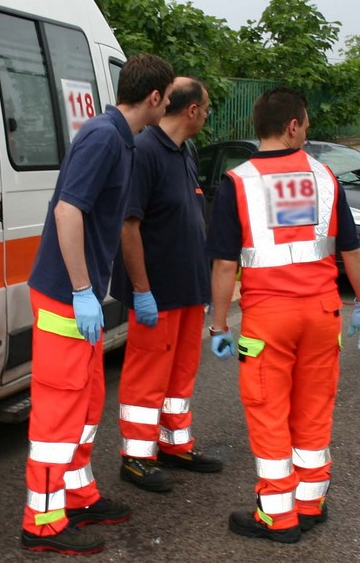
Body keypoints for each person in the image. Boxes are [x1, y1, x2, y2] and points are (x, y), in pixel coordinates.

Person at [206, 87, 360, 544]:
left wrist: (219, 325)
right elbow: (352, 249)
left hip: (268, 320)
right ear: (294, 125)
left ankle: (276, 516)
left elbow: (224, 265)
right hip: (322, 315)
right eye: (306, 124)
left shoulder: (237, 182)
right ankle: (310, 502)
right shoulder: (324, 177)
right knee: (314, 410)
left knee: (268, 411)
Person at [21, 53, 174, 555]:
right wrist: (83, 290)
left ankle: (77, 496)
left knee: (85, 403)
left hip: (77, 297)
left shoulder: (119, 139)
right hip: (66, 296)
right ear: (154, 98)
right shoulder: (105, 136)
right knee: (59, 409)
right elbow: (69, 210)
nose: (170, 104)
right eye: (168, 97)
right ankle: (41, 521)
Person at [110, 77, 223, 493]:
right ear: (191, 110)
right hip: (157, 292)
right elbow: (128, 225)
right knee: (147, 374)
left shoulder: (185, 150)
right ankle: (136, 457)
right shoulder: (145, 151)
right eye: (206, 107)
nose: (207, 114)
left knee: (181, 373)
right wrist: (141, 290)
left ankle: (174, 442)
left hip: (188, 288)